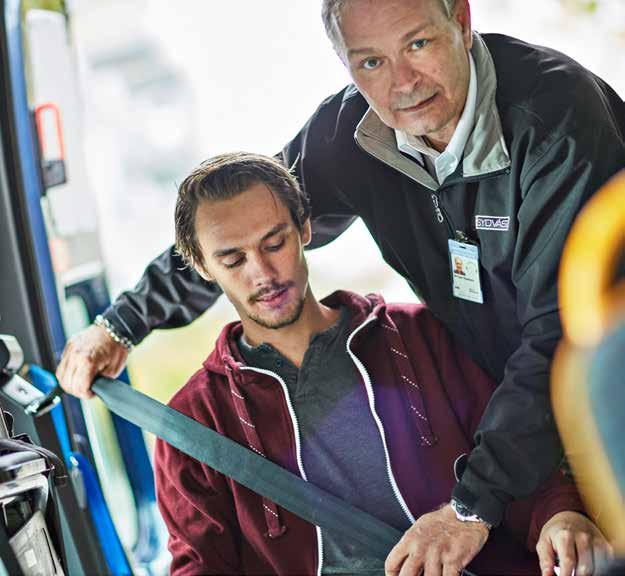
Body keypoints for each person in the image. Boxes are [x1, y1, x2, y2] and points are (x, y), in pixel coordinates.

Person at [56, 0, 625, 573]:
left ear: (461, 19)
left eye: (417, 44)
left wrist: (473, 506)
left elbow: (566, 332)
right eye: (370, 61)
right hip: (533, 415)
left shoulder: (557, 124)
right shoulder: (350, 135)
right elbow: (239, 219)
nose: (402, 82)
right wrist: (123, 323)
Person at [154, 152, 607, 576]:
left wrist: (560, 515)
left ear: (305, 228)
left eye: (274, 243)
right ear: (201, 266)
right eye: (232, 259)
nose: (262, 273)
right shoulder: (192, 427)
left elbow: (517, 453)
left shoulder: (424, 336)